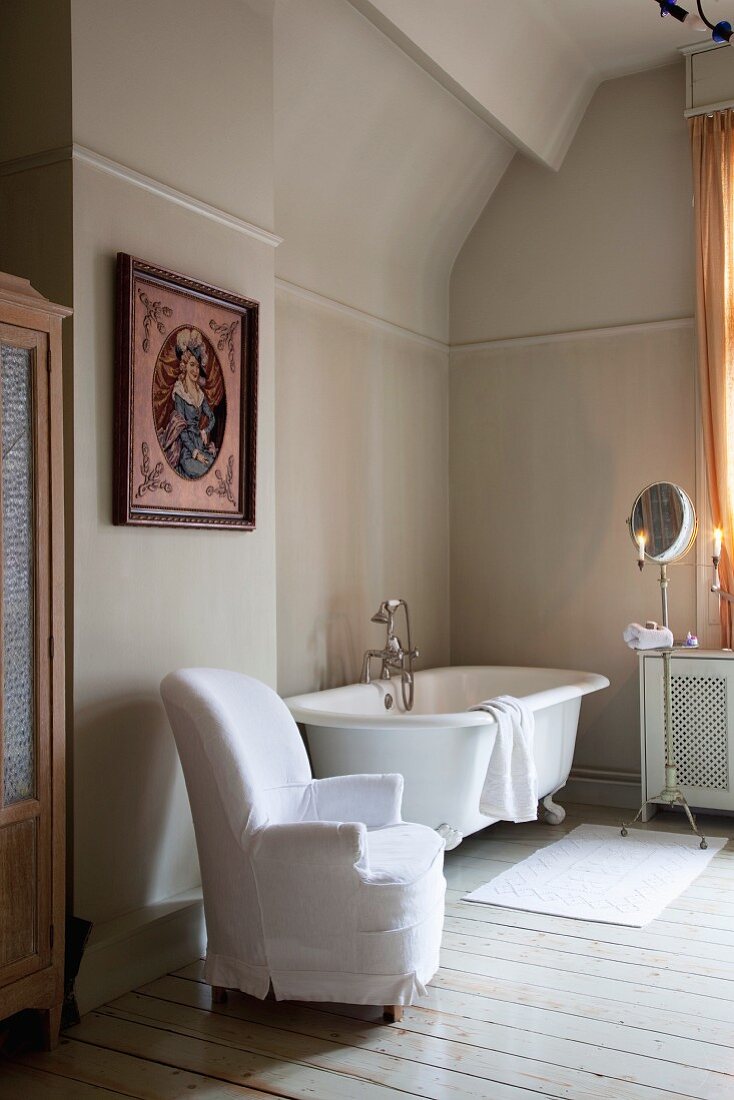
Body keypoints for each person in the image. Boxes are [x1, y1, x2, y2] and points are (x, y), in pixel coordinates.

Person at [157, 329, 217, 479]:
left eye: (197, 366)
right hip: (188, 452)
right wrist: (195, 454)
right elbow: (182, 430)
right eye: (192, 365)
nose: (195, 370)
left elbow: (212, 417)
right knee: (204, 472)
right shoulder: (180, 393)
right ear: (184, 366)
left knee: (214, 469)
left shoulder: (200, 394)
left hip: (201, 447)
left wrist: (205, 431)